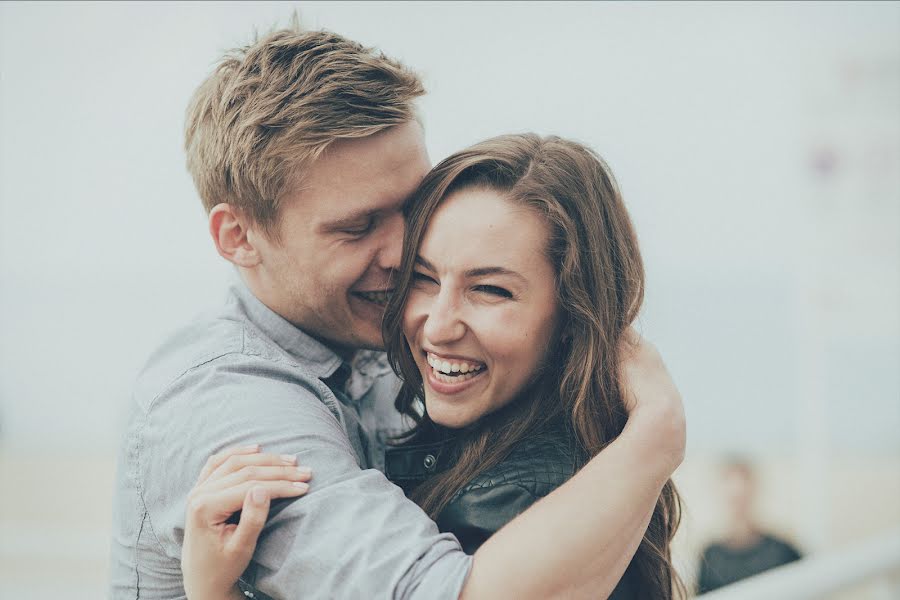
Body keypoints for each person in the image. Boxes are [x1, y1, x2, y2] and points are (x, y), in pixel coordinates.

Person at [110, 25, 686, 600]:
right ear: (238, 236)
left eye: (413, 209)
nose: (401, 253)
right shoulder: (229, 404)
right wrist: (655, 436)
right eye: (356, 228)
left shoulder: (384, 339)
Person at [697, 458, 802, 593]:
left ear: (754, 492)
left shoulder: (782, 551)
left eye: (743, 497)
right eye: (734, 499)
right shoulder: (710, 556)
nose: (739, 505)